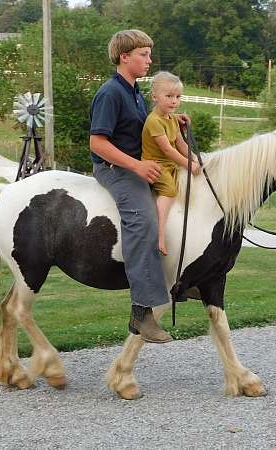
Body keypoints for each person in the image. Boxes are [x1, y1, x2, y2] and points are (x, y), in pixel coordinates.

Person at [90, 30, 184, 344]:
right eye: (143, 54)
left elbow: (147, 127)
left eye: (149, 54)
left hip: (138, 166)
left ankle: (189, 277)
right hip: (116, 169)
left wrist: (172, 117)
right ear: (124, 56)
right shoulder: (110, 93)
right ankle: (141, 312)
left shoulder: (135, 93)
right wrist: (137, 166)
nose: (149, 60)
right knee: (143, 220)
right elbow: (98, 143)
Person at [142, 71, 201, 256]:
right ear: (154, 97)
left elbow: (180, 144)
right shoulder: (154, 121)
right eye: (169, 96)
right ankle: (158, 234)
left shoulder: (171, 120)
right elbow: (168, 150)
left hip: (170, 164)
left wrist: (196, 159)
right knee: (170, 190)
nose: (174, 101)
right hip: (156, 164)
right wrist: (189, 165)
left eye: (177, 97)